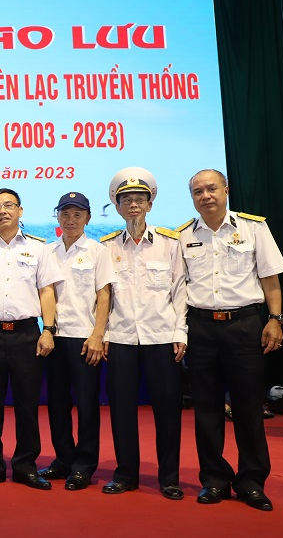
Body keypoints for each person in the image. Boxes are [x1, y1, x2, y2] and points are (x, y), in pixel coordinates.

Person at [179, 168, 283, 511]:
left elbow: (270, 280)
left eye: (211, 188)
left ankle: (251, 482)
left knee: (248, 408)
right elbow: (179, 289)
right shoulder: (183, 235)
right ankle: (214, 480)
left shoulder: (253, 228)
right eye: (198, 191)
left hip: (244, 326)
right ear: (192, 198)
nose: (205, 196)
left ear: (226, 190)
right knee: (207, 409)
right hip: (201, 328)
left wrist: (275, 320)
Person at [0, 188, 62, 490]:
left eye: (9, 205)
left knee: (27, 405)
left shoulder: (39, 248)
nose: (2, 211)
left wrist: (48, 329)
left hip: (27, 335)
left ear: (20, 211)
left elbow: (47, 291)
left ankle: (25, 466)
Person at [99, 167, 187, 500]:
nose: (133, 205)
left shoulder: (169, 244)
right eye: (127, 200)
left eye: (139, 199)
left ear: (150, 205)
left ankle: (169, 478)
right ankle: (125, 474)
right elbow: (103, 296)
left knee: (168, 411)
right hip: (121, 338)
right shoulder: (107, 247)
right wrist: (102, 334)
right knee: (121, 410)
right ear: (117, 207)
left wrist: (181, 332)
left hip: (162, 337)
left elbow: (180, 291)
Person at [38, 192, 116, 490]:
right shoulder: (47, 251)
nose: (71, 220)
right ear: (57, 216)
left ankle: (84, 466)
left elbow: (104, 295)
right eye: (66, 214)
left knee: (86, 405)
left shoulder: (98, 251)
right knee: (57, 404)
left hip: (85, 338)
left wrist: (98, 334)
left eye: (77, 215)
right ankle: (63, 460)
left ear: (88, 218)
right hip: (54, 337)